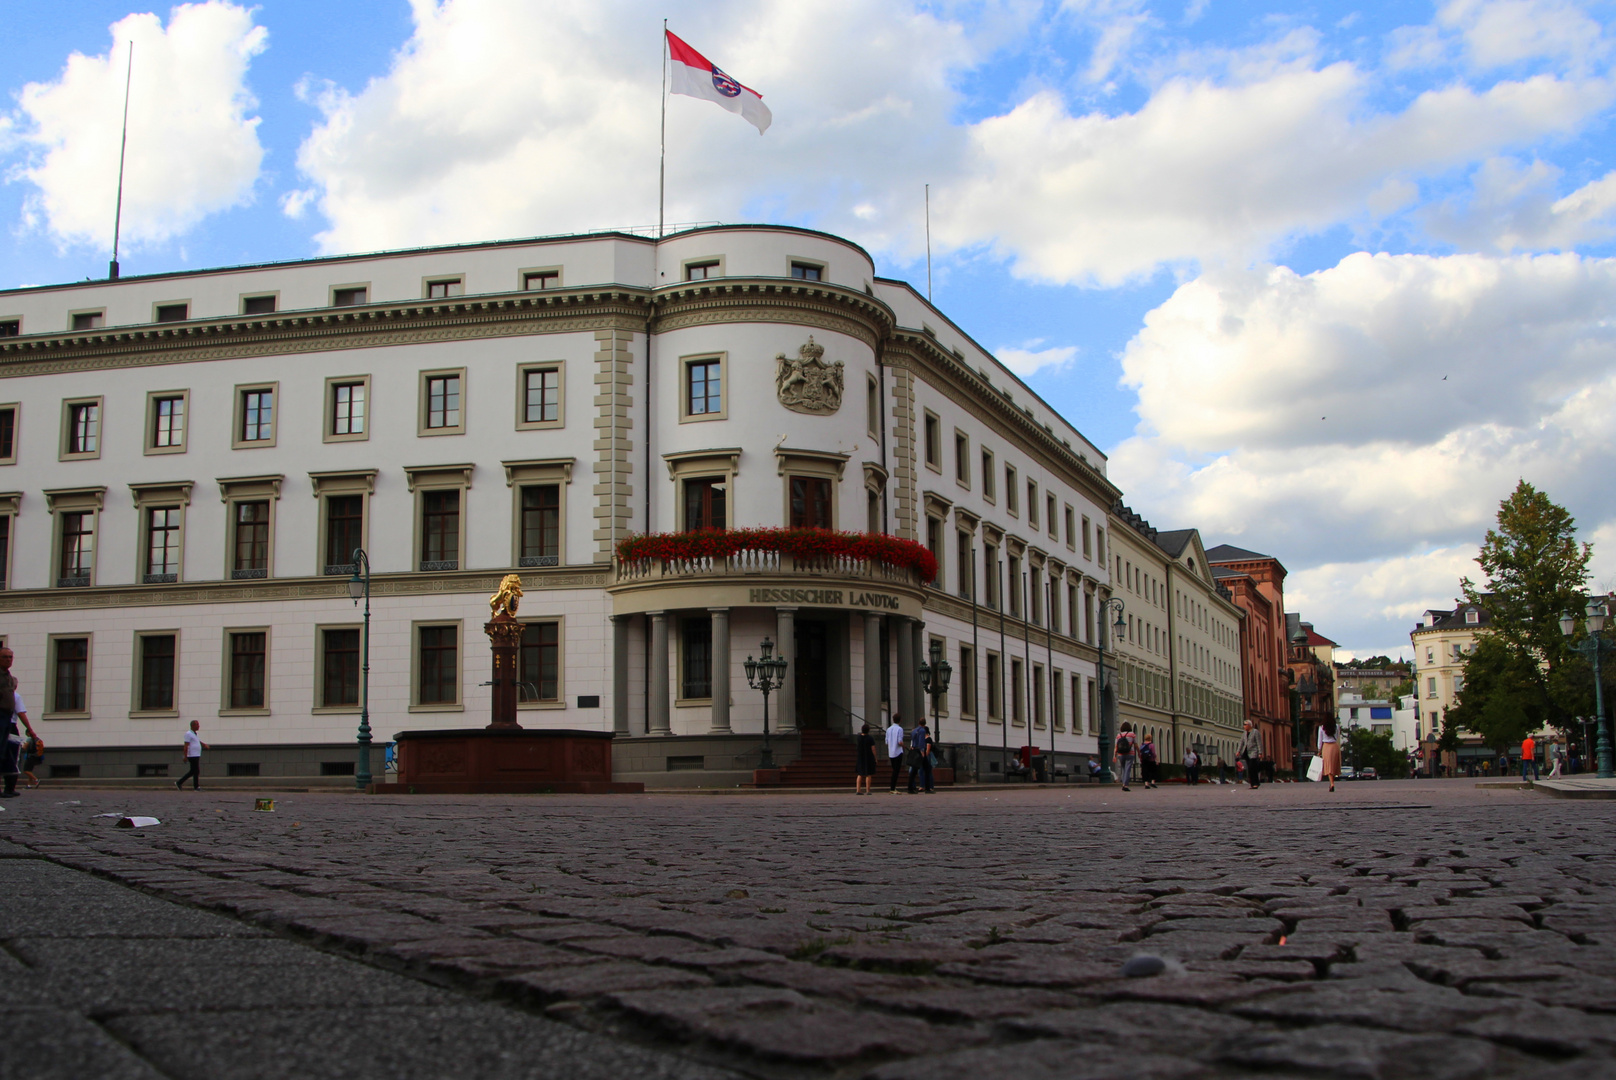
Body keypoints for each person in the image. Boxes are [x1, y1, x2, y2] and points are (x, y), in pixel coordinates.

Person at [0, 646, 38, 800]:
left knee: (4, 754)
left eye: (10, 657)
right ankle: (9, 787)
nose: (8, 660)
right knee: (6, 754)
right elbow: (21, 712)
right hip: (2, 717)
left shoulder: (8, 676)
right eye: (5, 657)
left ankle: (9, 788)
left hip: (7, 718)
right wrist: (30, 730)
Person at [175, 720, 208, 791]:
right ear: (193, 726)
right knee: (195, 771)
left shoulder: (194, 734)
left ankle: (179, 782)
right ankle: (196, 787)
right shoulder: (188, 734)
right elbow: (186, 745)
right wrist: (185, 756)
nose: (198, 726)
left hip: (196, 754)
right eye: (197, 725)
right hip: (192, 755)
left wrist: (203, 744)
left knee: (193, 771)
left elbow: (197, 741)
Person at [906, 719, 934, 794]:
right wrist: (922, 752)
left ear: (918, 723)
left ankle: (910, 788)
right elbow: (921, 741)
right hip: (920, 750)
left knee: (914, 770)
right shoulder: (922, 731)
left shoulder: (914, 731)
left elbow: (913, 740)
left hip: (914, 749)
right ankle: (928, 788)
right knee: (927, 769)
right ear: (924, 724)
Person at [1235, 719, 1264, 790]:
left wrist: (1260, 752)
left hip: (1253, 752)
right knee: (1250, 769)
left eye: (1245, 725)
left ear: (1249, 725)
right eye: (1244, 724)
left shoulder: (1255, 732)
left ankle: (1256, 783)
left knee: (1252, 768)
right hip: (1246, 752)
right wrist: (1238, 751)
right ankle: (1253, 783)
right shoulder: (1244, 733)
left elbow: (1259, 743)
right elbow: (1241, 742)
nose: (1244, 726)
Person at [1317, 717, 1342, 792]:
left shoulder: (1322, 727)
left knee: (1328, 766)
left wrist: (1319, 750)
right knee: (1333, 765)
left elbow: (1320, 740)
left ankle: (1332, 783)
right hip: (1334, 746)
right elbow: (1337, 737)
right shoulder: (1337, 727)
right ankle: (1332, 782)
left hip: (1326, 746)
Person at [1114, 722, 1139, 791]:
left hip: (1121, 754)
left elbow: (1116, 747)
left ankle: (1123, 783)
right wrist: (1139, 753)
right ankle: (1125, 785)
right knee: (1128, 769)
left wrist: (1114, 756)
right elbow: (1136, 745)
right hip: (1130, 754)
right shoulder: (1132, 734)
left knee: (1123, 769)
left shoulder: (1118, 735)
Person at [854, 723, 877, 795]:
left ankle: (858, 790)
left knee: (860, 774)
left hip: (860, 756)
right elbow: (873, 748)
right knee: (868, 773)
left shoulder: (858, 737)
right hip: (868, 756)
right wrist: (875, 758)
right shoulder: (870, 738)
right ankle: (868, 790)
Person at [885, 715, 906, 794]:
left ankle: (893, 787)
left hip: (891, 752)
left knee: (894, 770)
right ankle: (893, 788)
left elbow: (886, 742)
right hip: (898, 752)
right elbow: (900, 741)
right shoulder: (900, 729)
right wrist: (904, 746)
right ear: (900, 720)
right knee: (896, 771)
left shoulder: (888, 729)